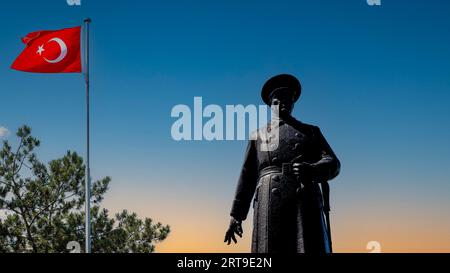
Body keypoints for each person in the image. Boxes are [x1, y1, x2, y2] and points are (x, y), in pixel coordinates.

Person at [224, 74, 341, 253]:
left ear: (294, 102)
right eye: (278, 100)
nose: (283, 104)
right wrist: (236, 216)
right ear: (271, 105)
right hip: (269, 202)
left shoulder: (311, 132)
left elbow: (333, 163)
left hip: (304, 199)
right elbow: (247, 177)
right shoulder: (258, 136)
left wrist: (313, 169)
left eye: (288, 99)